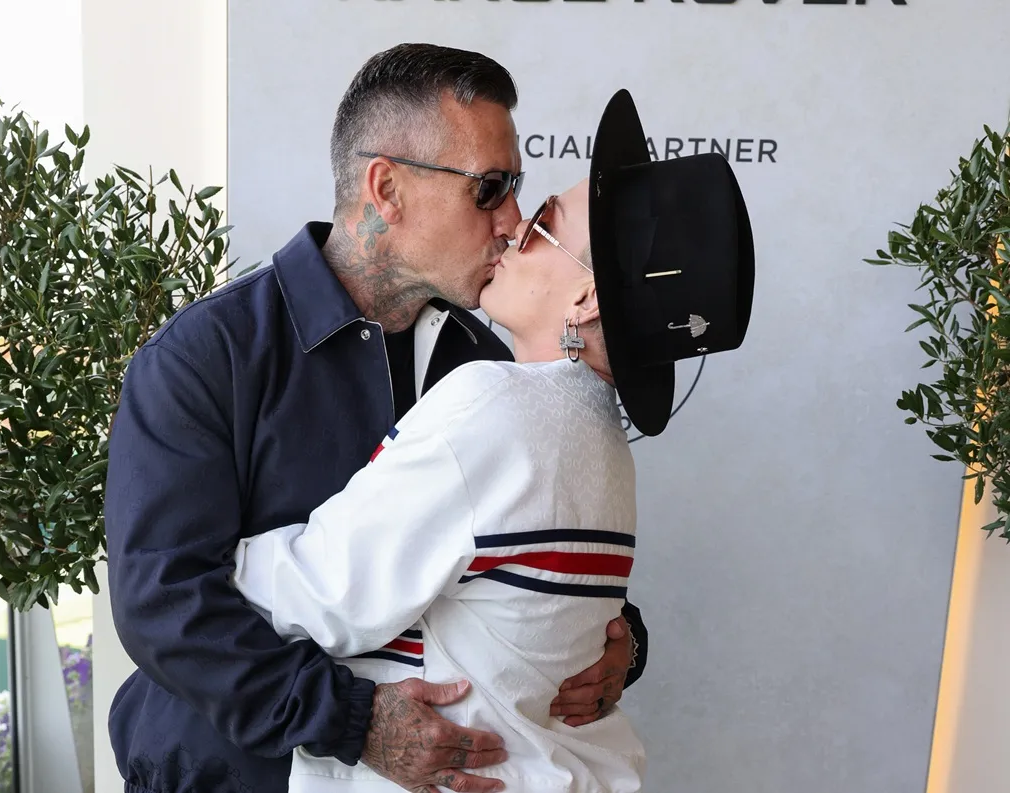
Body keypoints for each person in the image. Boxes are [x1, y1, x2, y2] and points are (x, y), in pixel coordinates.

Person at [105, 44, 649, 793]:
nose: (512, 219)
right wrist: (353, 721)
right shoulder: (206, 356)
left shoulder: (488, 368)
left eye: (516, 187)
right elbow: (163, 603)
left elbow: (501, 572)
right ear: (386, 187)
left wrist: (617, 643)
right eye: (490, 188)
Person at [229, 89, 755, 793]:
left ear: (587, 298)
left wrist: (205, 557)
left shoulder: (494, 408)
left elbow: (320, 595)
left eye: (542, 223)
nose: (511, 230)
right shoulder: (605, 449)